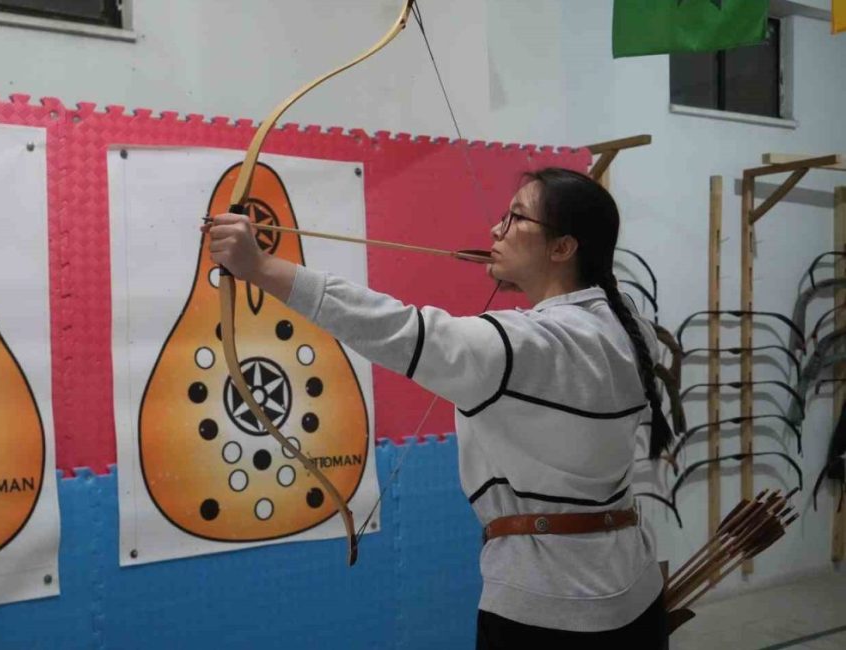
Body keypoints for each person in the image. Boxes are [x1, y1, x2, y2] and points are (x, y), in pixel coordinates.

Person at [202, 167, 670, 648]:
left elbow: (401, 331)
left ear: (562, 248)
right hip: (635, 587)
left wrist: (260, 268)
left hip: (552, 606)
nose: (496, 230)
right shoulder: (626, 323)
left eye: (516, 219)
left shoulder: (531, 345)